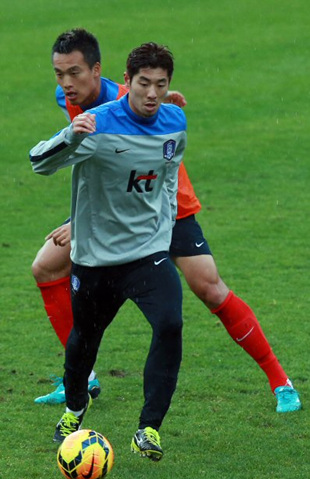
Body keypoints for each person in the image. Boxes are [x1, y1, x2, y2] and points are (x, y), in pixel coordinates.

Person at [32, 28, 301, 414]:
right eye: (59, 74)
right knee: (44, 268)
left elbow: (147, 119)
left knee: (209, 288)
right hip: (119, 208)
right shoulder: (70, 100)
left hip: (168, 203)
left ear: (98, 70)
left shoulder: (120, 100)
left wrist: (161, 104)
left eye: (74, 73)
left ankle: (281, 382)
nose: (66, 83)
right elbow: (96, 167)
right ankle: (83, 379)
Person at [30, 41, 187, 461]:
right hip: (96, 258)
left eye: (160, 85)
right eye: (143, 84)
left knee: (170, 322)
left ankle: (149, 427)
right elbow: (38, 162)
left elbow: (169, 173)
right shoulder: (96, 125)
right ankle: (75, 405)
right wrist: (69, 134)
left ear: (168, 85)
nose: (152, 94)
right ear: (126, 82)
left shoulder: (175, 121)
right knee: (85, 338)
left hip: (147, 253)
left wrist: (165, 223)